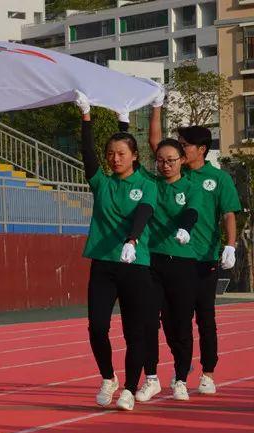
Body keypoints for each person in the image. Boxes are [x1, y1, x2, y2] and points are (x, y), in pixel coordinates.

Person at [149, 104, 242, 394]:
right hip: (176, 259)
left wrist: (230, 245)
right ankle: (183, 358)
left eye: (185, 145)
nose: (180, 149)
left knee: (205, 317)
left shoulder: (219, 178)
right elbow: (156, 144)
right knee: (172, 317)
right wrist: (156, 106)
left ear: (201, 149)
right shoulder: (178, 173)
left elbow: (229, 213)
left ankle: (208, 372)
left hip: (204, 257)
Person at [76, 91, 157, 411]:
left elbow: (144, 212)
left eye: (121, 153)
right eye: (110, 153)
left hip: (134, 264)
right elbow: (87, 154)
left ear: (134, 156)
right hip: (103, 265)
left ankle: (130, 388)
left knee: (134, 330)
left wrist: (132, 240)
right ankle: (108, 377)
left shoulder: (146, 184)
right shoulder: (102, 183)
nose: (114, 158)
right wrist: (86, 116)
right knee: (97, 326)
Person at [134, 131, 200, 403]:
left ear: (182, 160)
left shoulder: (191, 187)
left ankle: (181, 378)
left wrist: (185, 228)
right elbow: (131, 160)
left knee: (179, 324)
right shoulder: (150, 183)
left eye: (171, 160)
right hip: (152, 262)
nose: (165, 165)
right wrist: (124, 119)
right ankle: (151, 378)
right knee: (148, 321)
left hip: (182, 262)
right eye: (160, 160)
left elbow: (192, 211)